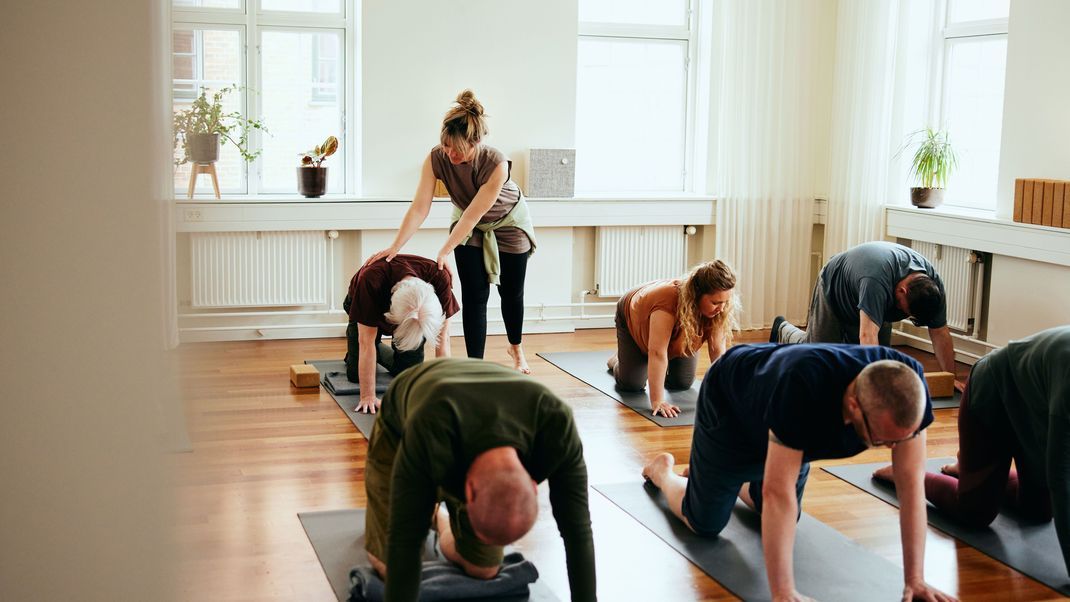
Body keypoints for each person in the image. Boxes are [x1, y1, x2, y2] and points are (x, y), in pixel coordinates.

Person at [642, 343, 955, 602]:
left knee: (781, 517)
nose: (891, 448)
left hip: (784, 416)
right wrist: (783, 593)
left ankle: (724, 480)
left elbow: (911, 485)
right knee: (704, 522)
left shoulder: (907, 386)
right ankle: (664, 472)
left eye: (899, 440)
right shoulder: (804, 387)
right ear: (854, 404)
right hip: (732, 406)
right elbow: (778, 493)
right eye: (881, 440)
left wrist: (915, 580)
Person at [364, 358, 595, 602]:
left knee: (484, 569)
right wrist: (414, 512)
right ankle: (424, 511)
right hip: (401, 423)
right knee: (389, 568)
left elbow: (577, 531)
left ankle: (437, 518)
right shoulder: (430, 428)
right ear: (468, 492)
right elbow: (405, 540)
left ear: (533, 486)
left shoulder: (557, 427)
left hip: (471, 422)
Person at [873, 325, 1070, 577]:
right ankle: (904, 474)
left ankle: (968, 467)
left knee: (1039, 511)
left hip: (1031, 409)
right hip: (993, 390)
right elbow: (1061, 475)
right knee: (975, 511)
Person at [364, 89, 536, 374]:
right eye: (446, 145)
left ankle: (516, 348)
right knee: (474, 295)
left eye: (457, 148)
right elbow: (420, 207)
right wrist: (394, 246)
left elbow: (473, 215)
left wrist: (444, 249)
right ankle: (475, 367)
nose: (450, 153)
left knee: (511, 293)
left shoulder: (496, 164)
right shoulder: (436, 158)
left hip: (509, 223)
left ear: (476, 142)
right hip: (468, 225)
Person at [771, 241, 960, 377]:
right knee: (818, 356)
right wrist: (875, 387)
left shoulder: (933, 287)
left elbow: (940, 333)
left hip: (873, 299)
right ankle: (783, 330)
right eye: (906, 312)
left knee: (880, 362)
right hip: (835, 291)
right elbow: (867, 336)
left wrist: (949, 378)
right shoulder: (876, 281)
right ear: (902, 290)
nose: (906, 316)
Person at [608, 260, 739, 418]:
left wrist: (728, 396)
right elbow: (657, 352)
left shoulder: (719, 310)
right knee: (632, 384)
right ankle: (618, 360)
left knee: (682, 383)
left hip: (678, 329)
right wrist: (657, 401)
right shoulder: (667, 302)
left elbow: (718, 351)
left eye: (725, 302)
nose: (722, 308)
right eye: (716, 302)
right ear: (697, 294)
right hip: (634, 313)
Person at [342, 254, 459, 413]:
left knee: (407, 372)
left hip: (406, 311)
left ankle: (376, 350)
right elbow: (365, 342)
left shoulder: (440, 277)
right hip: (361, 302)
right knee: (356, 374)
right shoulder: (371, 279)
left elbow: (443, 340)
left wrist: (446, 394)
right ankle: (355, 348)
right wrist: (368, 396)